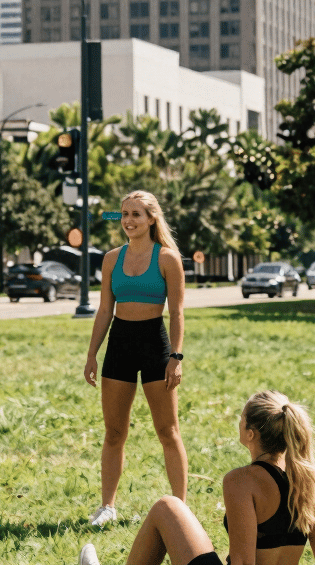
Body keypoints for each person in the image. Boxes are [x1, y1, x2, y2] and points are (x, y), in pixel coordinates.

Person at [79, 391, 315, 565]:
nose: (239, 423)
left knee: (168, 507)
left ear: (250, 434)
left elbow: (242, 563)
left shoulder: (242, 481)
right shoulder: (311, 480)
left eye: (241, 419)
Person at [83, 190, 187, 527]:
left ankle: (181, 509)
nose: (128, 220)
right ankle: (107, 506)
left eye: (136, 215)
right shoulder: (112, 259)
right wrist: (91, 355)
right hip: (120, 344)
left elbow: (177, 312)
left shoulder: (168, 258)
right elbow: (103, 310)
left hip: (155, 344)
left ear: (151, 218)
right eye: (125, 214)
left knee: (167, 430)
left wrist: (176, 356)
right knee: (114, 432)